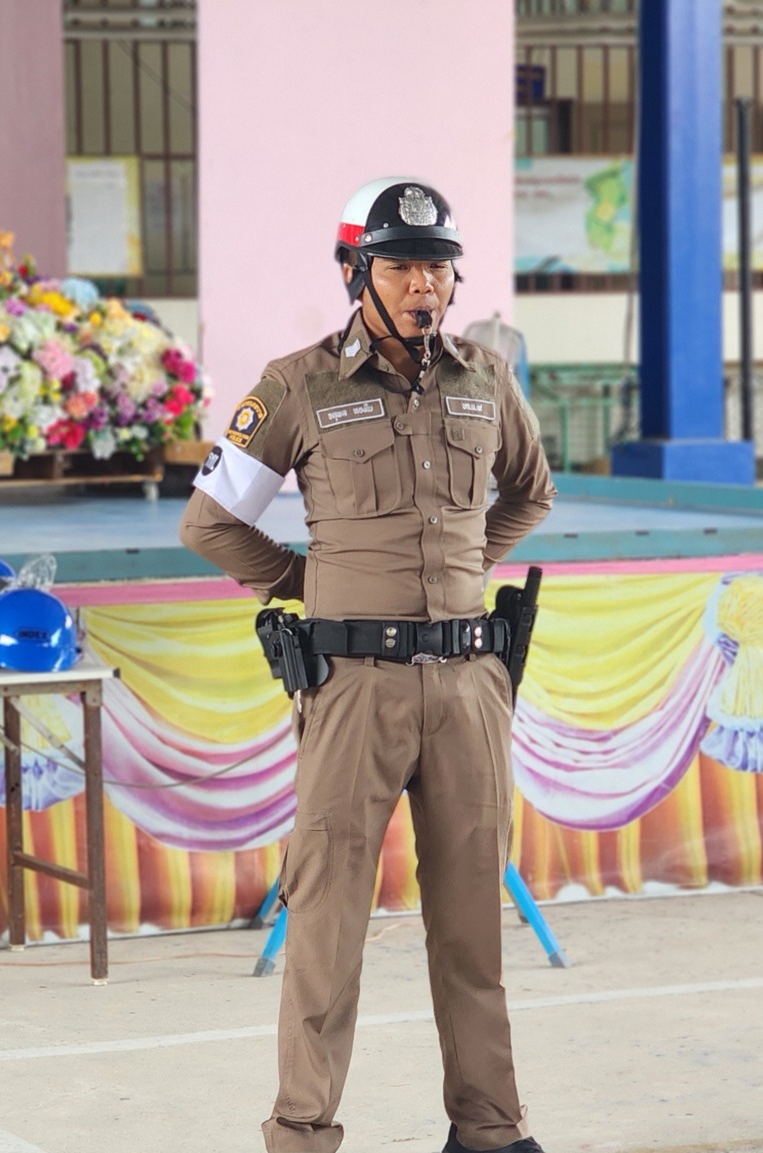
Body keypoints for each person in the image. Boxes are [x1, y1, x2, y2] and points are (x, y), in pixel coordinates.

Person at [180, 178, 556, 1153]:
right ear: (357, 273)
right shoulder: (298, 384)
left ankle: (489, 1129)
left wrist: (470, 566)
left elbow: (530, 490)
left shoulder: (485, 378)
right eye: (400, 267)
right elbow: (209, 521)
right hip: (352, 687)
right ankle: (302, 1133)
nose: (423, 285)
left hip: (470, 685)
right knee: (327, 925)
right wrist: (306, 580)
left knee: (471, 927)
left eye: (436, 267)